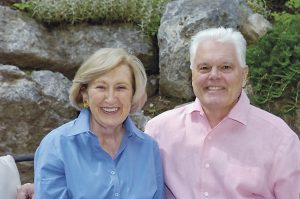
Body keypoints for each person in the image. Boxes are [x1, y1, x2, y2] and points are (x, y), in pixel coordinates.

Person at [145, 27, 300, 198]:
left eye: (225, 67)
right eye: (204, 68)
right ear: (192, 74)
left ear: (244, 74)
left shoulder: (280, 141)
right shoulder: (158, 132)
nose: (214, 76)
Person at [34, 48, 165, 198]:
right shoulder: (56, 146)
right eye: (101, 87)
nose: (110, 98)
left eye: (121, 88)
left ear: (133, 94)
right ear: (84, 94)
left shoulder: (148, 148)